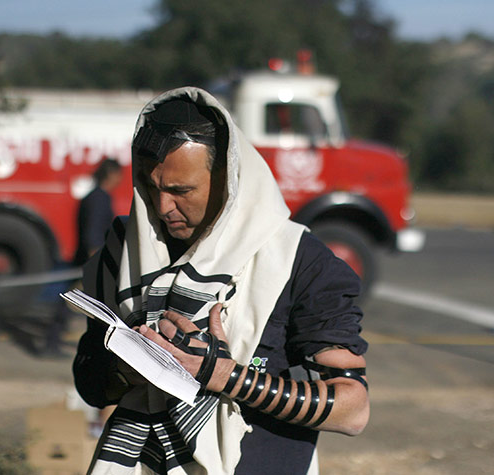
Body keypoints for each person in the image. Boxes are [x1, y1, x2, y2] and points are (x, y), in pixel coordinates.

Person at [72, 87, 369, 474]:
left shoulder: (298, 260)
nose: (162, 207)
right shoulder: (124, 252)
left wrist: (221, 374)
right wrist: (128, 368)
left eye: (181, 190)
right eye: (149, 185)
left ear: (229, 179)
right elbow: (90, 384)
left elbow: (352, 410)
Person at [42, 158, 123, 356]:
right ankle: (52, 343)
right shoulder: (99, 199)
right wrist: (95, 262)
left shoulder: (92, 196)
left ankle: (53, 341)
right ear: (111, 175)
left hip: (87, 259)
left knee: (72, 301)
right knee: (78, 302)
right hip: (91, 261)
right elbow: (93, 233)